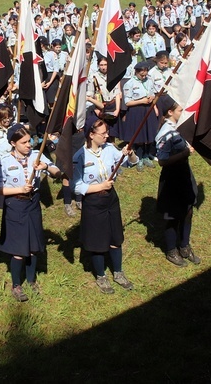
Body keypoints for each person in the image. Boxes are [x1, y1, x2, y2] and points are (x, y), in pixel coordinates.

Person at [0, 125, 61, 302]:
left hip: (32, 204)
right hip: (15, 205)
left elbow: (57, 172)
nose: (29, 145)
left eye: (29, 140)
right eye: (23, 142)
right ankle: (16, 284)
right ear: (13, 143)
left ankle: (31, 281)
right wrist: (18, 189)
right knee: (18, 249)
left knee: (33, 246)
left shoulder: (36, 156)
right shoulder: (5, 161)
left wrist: (45, 166)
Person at [73, 119, 138, 294]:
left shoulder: (109, 149)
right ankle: (101, 276)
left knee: (116, 238)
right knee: (98, 242)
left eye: (107, 132)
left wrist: (129, 153)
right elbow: (77, 186)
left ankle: (118, 272)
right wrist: (99, 187)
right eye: (103, 133)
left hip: (111, 199)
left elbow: (131, 162)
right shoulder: (80, 156)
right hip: (93, 202)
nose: (107, 136)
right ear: (91, 135)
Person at [155, 96, 200, 266]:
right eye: (180, 110)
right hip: (172, 178)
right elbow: (162, 161)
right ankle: (171, 250)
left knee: (188, 210)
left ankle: (185, 245)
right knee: (173, 215)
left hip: (184, 173)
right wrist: (185, 153)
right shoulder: (166, 133)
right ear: (170, 112)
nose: (183, 112)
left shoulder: (179, 126)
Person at [122, 61, 158, 169]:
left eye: (145, 74)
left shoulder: (149, 81)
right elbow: (127, 102)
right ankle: (139, 156)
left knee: (148, 133)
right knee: (139, 134)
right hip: (136, 110)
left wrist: (153, 104)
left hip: (148, 109)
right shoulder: (129, 84)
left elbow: (152, 94)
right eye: (141, 74)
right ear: (136, 72)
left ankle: (147, 155)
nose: (144, 76)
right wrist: (141, 101)